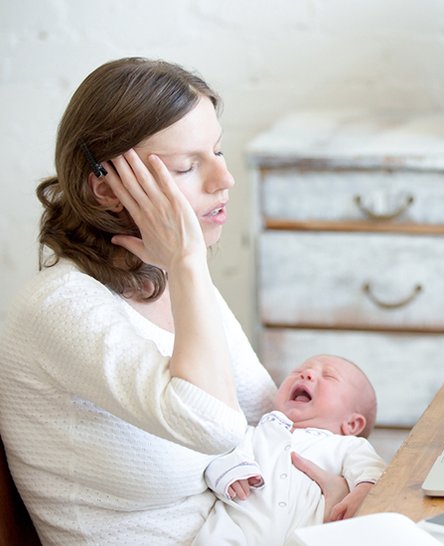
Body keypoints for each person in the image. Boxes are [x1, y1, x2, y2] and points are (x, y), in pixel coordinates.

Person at [0, 57, 354, 545]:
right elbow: (215, 427)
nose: (224, 179)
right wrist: (188, 263)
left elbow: (264, 420)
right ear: (107, 188)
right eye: (188, 166)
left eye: (218, 151)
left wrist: (345, 484)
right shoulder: (61, 306)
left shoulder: (163, 277)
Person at [195, 354, 386, 546]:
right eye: (298, 371)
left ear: (351, 424)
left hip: (306, 535)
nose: (307, 374)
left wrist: (364, 490)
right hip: (240, 531)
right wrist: (228, 473)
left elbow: (373, 469)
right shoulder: (255, 433)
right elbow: (217, 454)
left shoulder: (347, 446)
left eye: (329, 376)